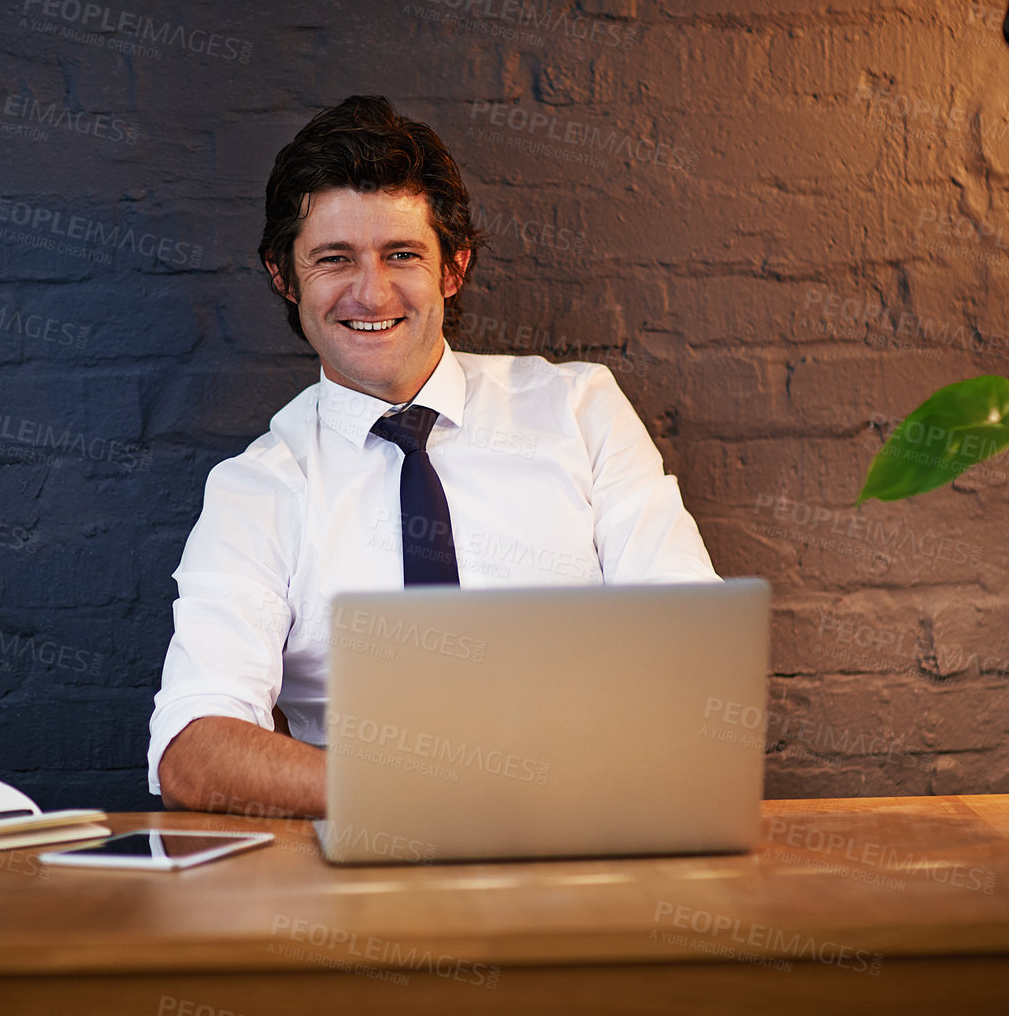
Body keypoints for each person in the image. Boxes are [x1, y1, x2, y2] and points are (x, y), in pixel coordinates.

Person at [149, 95, 718, 817]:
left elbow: (690, 645)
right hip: (372, 867)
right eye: (334, 259)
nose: (371, 290)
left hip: (588, 828)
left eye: (402, 254)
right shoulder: (257, 489)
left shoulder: (579, 410)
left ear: (453, 268)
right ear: (284, 278)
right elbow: (193, 752)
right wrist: (417, 795)